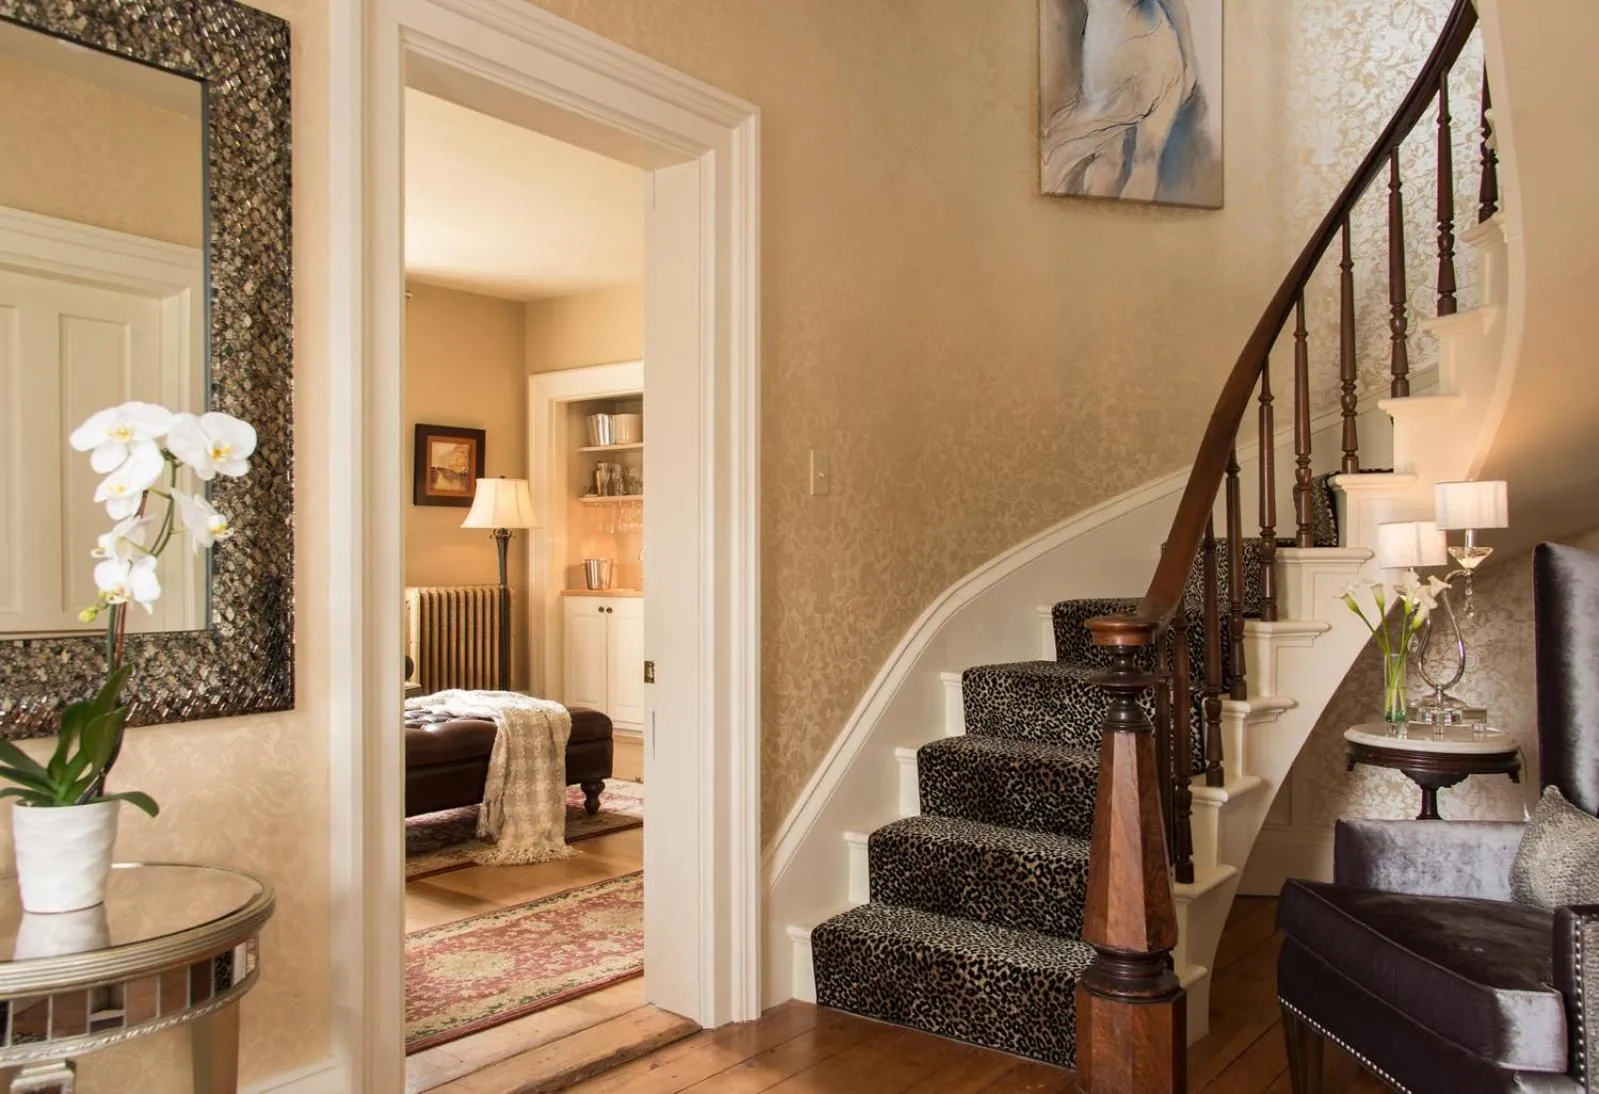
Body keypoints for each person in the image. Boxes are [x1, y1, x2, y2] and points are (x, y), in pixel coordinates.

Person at [1042, 0, 1200, 201]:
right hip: (1136, 56)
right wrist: (1190, 62)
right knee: (1141, 159)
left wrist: (1190, 62)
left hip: (1109, 51)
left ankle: (1091, 223)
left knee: (1112, 156)